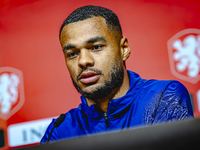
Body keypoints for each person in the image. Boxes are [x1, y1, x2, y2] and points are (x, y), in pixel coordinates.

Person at [40, 5, 193, 143]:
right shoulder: (59, 131)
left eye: (96, 47)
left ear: (124, 49)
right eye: (72, 53)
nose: (83, 61)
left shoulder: (162, 98)